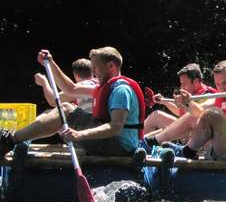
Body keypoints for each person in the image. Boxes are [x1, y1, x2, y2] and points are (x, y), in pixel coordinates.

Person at [0, 47, 145, 158]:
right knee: (64, 109)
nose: (93, 72)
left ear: (111, 66)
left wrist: (79, 135)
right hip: (112, 141)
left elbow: (115, 128)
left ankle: (10, 140)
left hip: (118, 146)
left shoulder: (121, 91)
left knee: (67, 110)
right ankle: (12, 139)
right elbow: (71, 89)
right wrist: (50, 64)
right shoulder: (104, 87)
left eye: (95, 67)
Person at [143, 63, 216, 135]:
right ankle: (138, 141)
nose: (181, 87)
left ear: (196, 82)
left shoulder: (208, 95)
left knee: (157, 119)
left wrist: (184, 104)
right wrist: (164, 101)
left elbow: (197, 117)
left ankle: (136, 142)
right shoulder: (193, 94)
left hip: (197, 135)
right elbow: (180, 112)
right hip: (188, 130)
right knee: (156, 116)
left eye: (184, 84)